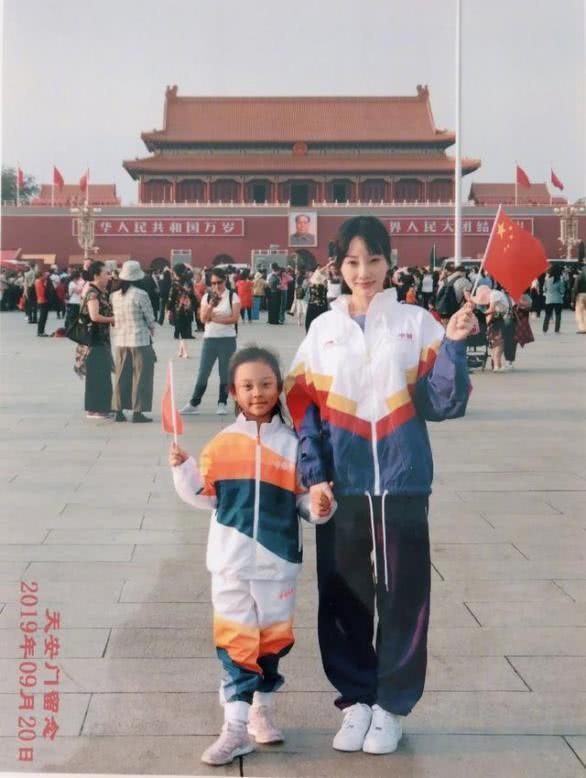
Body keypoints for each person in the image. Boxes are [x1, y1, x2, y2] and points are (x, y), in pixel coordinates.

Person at [285, 215, 474, 756]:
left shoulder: (418, 323)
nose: (363, 272)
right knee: (343, 595)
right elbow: (303, 409)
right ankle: (356, 701)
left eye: (373, 259)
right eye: (352, 261)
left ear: (389, 262)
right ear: (337, 266)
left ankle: (392, 705)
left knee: (404, 596)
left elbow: (442, 403)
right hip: (340, 487)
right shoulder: (322, 331)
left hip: (402, 482)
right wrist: (314, 475)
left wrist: (453, 345)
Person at [170, 346, 334, 766]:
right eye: (247, 386)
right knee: (236, 642)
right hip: (230, 564)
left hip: (278, 565)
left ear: (278, 387)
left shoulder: (295, 446)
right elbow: (205, 496)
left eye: (265, 384)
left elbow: (304, 502)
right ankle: (235, 727)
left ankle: (261, 710)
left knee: (271, 643)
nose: (257, 393)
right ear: (233, 392)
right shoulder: (222, 444)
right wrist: (183, 470)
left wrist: (319, 507)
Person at [180, 268, 240, 416]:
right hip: (210, 339)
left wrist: (213, 318)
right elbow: (202, 319)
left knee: (224, 373)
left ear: (225, 281)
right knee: (203, 372)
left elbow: (234, 318)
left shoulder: (232, 296)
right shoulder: (207, 297)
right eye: (213, 283)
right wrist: (212, 306)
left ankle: (222, 402)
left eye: (219, 282)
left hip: (227, 339)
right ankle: (194, 403)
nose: (216, 286)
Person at [111, 260, 156, 423]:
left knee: (121, 375)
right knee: (141, 376)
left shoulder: (115, 295)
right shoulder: (140, 294)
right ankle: (138, 411)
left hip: (121, 339)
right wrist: (152, 326)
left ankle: (118, 410)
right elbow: (150, 317)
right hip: (140, 339)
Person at [74, 261, 115, 419]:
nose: (109, 276)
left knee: (100, 374)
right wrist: (114, 319)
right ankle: (97, 409)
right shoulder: (92, 293)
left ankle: (97, 408)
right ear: (97, 275)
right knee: (98, 375)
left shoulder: (99, 291)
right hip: (94, 341)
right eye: (106, 273)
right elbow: (94, 316)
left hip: (100, 339)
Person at [168, 264, 198, 358]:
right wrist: (195, 306)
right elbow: (192, 295)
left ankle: (185, 352)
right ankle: (181, 351)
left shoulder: (175, 284)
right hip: (188, 309)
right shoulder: (189, 282)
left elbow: (171, 298)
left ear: (176, 273)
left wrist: (168, 309)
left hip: (178, 310)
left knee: (182, 331)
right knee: (183, 329)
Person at [542, 265, 566, 334]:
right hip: (558, 300)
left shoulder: (547, 280)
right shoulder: (560, 281)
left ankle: (545, 329)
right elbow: (562, 291)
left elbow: (544, 289)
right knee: (558, 315)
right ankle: (556, 329)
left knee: (547, 315)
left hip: (549, 300)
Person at [304, 266, 328, 332]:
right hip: (313, 305)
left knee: (321, 326)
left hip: (321, 305)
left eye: (311, 272)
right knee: (309, 324)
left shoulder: (324, 281)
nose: (309, 273)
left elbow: (319, 273)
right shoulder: (312, 281)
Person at [34, 271, 50, 337]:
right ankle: (40, 331)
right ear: (40, 276)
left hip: (41, 300)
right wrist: (45, 286)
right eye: (43, 275)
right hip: (43, 301)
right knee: (43, 317)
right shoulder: (39, 282)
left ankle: (41, 331)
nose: (45, 277)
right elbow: (43, 292)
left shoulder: (38, 281)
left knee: (43, 317)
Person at [572, 265, 586, 333]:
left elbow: (575, 289)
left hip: (580, 296)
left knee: (580, 312)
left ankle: (582, 328)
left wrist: (573, 300)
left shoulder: (579, 277)